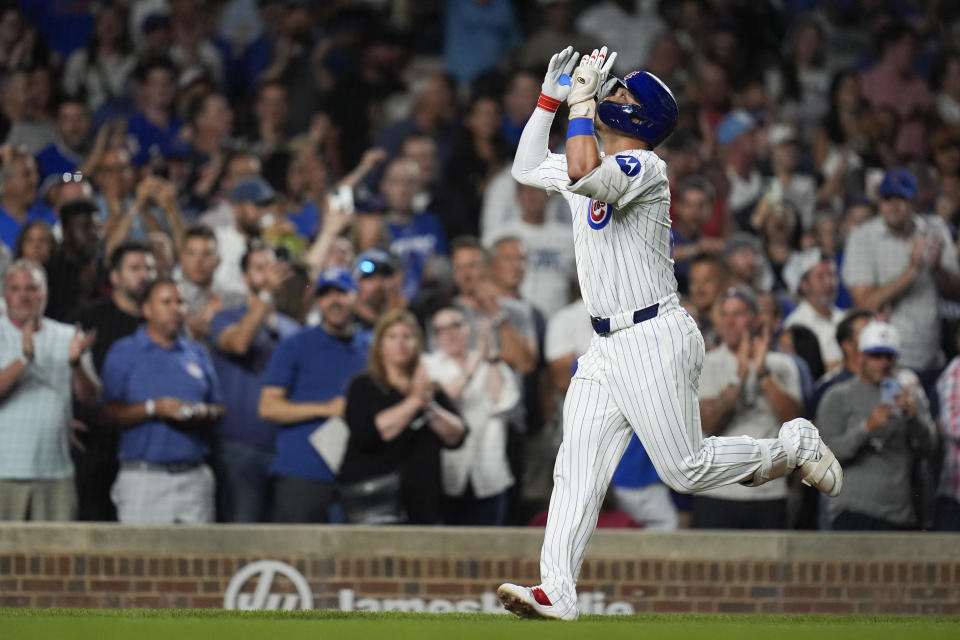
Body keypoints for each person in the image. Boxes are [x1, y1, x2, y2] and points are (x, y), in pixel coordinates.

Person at [497, 47, 842, 621]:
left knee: (685, 469)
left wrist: (580, 103)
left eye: (625, 96)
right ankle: (555, 589)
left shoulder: (644, 168)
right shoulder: (600, 156)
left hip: (654, 334)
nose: (612, 94)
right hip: (606, 344)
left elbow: (583, 171)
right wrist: (550, 101)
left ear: (644, 119)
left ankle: (791, 446)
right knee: (576, 462)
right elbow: (528, 167)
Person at [100, 280, 225, 524]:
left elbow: (219, 407)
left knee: (197, 559)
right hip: (144, 478)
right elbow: (107, 412)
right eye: (166, 302)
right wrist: (154, 408)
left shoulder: (196, 353)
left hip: (194, 476)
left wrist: (202, 412)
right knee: (141, 559)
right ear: (147, 309)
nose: (175, 308)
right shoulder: (125, 352)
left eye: (180, 302)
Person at [258, 267, 369, 523]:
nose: (334, 301)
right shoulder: (296, 344)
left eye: (341, 293)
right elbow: (268, 407)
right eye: (326, 295)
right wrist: (326, 408)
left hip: (356, 474)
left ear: (355, 297)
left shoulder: (370, 347)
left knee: (353, 561)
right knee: (298, 558)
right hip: (302, 470)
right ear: (318, 301)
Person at [842, 168, 960, 398]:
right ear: (880, 201)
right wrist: (913, 269)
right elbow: (864, 301)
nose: (894, 206)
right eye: (888, 198)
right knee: (895, 427)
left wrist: (938, 268)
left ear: (914, 200)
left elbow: (956, 291)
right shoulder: (863, 237)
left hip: (933, 356)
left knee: (929, 430)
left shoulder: (934, 229)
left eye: (901, 198)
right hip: (888, 363)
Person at [341, 310, 466, 525]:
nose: (400, 343)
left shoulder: (430, 389)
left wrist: (429, 406)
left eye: (407, 336)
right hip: (374, 499)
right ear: (380, 344)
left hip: (422, 500)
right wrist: (414, 401)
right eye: (392, 337)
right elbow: (369, 434)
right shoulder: (363, 386)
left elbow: (458, 435)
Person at [694, 286, 803, 529]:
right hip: (717, 492)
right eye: (725, 314)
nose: (730, 322)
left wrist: (763, 373)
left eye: (739, 314)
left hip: (769, 492)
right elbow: (710, 425)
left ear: (758, 319)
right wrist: (739, 378)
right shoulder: (706, 363)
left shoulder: (783, 365)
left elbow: (794, 424)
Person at [0, 259, 99, 521]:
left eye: (32, 288)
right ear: (4, 294)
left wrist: (77, 364)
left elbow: (91, 399)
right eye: (15, 288)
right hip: (4, 473)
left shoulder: (69, 336)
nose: (24, 295)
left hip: (55, 472)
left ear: (45, 293)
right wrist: (24, 360)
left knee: (59, 559)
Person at [817, 321, 937, 530]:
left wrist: (914, 419)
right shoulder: (837, 397)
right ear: (861, 356)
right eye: (876, 356)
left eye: (889, 357)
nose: (883, 363)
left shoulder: (910, 396)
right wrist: (866, 428)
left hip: (900, 513)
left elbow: (930, 448)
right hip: (853, 510)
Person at [209, 242, 299, 522]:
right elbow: (238, 344)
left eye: (272, 268)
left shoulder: (292, 328)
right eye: (259, 269)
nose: (267, 276)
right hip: (239, 446)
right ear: (245, 277)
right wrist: (266, 296)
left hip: (284, 446)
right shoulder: (225, 318)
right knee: (242, 533)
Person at [69, 242, 157, 521]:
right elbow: (60, 367)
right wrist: (59, 417)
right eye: (135, 268)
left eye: (150, 268)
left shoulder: (162, 323)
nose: (144, 275)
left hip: (143, 446)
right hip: (93, 445)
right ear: (115, 277)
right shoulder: (88, 318)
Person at [423, 306, 519, 526]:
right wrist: (476, 360)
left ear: (468, 329)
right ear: (435, 337)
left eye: (455, 326)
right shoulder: (428, 365)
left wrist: (491, 355)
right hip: (447, 475)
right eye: (440, 330)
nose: (449, 334)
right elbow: (444, 398)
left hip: (489, 472)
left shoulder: (491, 364)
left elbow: (501, 402)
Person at [783, 248, 845, 372]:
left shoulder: (844, 318)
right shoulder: (797, 325)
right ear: (804, 284)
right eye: (821, 277)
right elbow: (810, 372)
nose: (829, 282)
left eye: (832, 275)